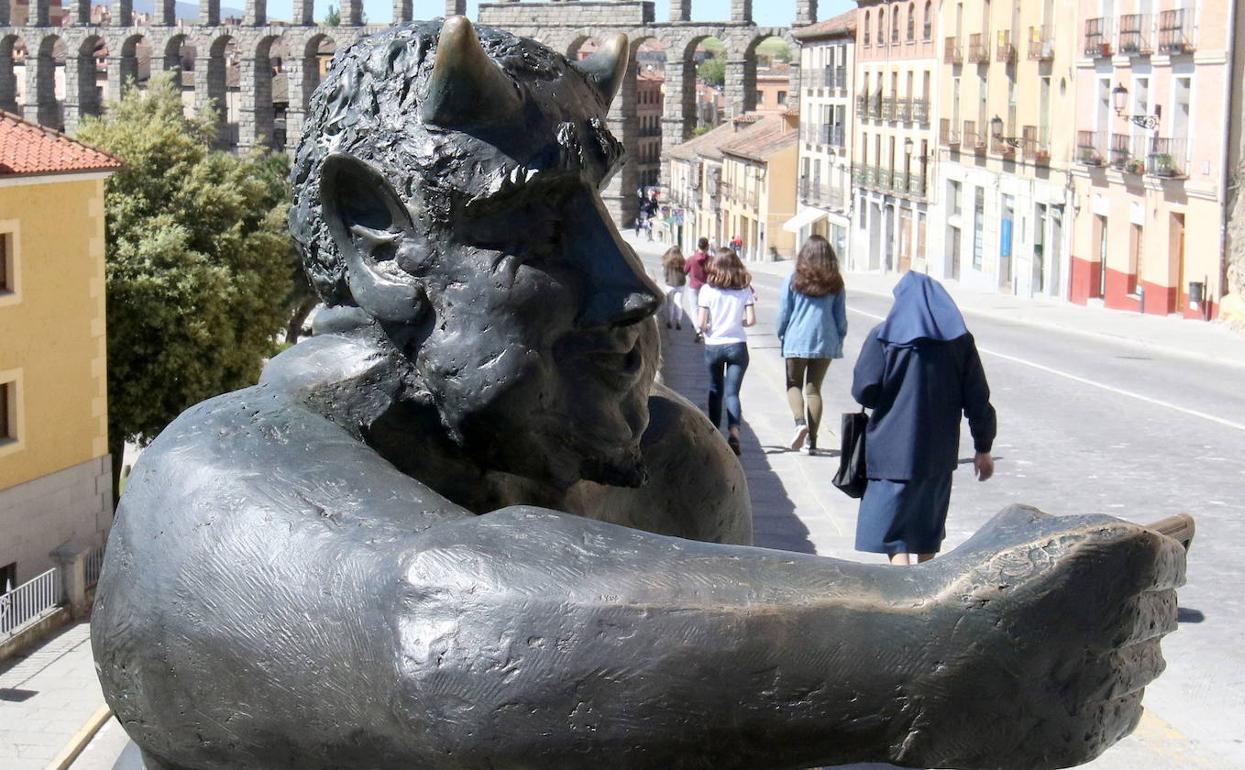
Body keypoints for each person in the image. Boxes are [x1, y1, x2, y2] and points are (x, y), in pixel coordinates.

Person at [92, 20, 1184, 770]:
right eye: (542, 223)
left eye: (604, 216)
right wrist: (934, 637)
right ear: (379, 237)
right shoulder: (210, 478)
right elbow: (428, 620)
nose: (633, 286)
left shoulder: (666, 466)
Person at [851, 272, 997, 566]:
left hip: (889, 453)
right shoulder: (959, 342)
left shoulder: (883, 337)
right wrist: (983, 447)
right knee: (926, 533)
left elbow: (864, 391)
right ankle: (923, 593)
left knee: (894, 535)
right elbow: (978, 399)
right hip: (937, 455)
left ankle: (904, 593)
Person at [775, 235, 848, 455]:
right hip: (825, 340)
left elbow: (783, 313)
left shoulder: (793, 278)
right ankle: (812, 443)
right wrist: (839, 337)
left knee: (793, 385)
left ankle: (799, 423)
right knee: (814, 389)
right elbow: (840, 317)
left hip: (796, 339)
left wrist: (782, 334)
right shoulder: (835, 282)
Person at [698, 248, 756, 456]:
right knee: (733, 393)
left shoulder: (707, 290)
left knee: (715, 390)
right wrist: (735, 323)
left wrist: (712, 326)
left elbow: (701, 323)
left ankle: (714, 436)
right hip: (738, 345)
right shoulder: (745, 290)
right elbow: (750, 320)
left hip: (714, 345)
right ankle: (734, 434)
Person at [683, 237, 710, 342]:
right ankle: (706, 329)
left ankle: (698, 331)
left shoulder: (691, 259)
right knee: (706, 309)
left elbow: (684, 271)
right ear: (707, 247)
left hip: (694, 287)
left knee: (695, 310)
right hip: (707, 287)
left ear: (698, 246)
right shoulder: (710, 259)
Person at [660, 246, 686, 330]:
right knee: (679, 303)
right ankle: (678, 321)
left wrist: (667, 278)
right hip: (680, 285)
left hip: (670, 285)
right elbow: (685, 272)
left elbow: (664, 274)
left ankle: (670, 321)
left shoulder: (666, 262)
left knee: (670, 304)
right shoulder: (683, 261)